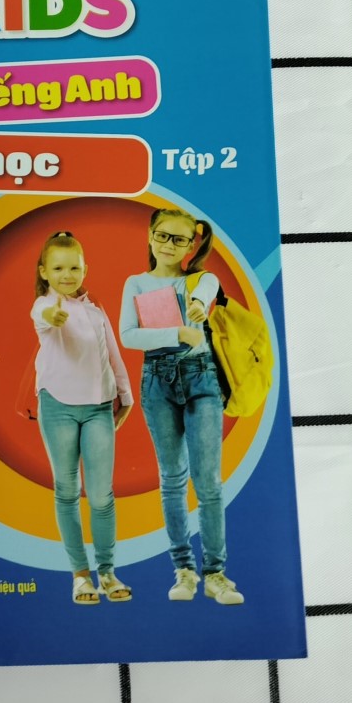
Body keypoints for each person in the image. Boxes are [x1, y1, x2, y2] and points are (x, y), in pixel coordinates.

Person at [118, 207, 243, 605]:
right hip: (157, 382)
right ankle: (184, 571)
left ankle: (216, 574)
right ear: (150, 236)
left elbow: (207, 290)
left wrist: (199, 307)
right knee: (172, 478)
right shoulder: (136, 283)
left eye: (179, 239)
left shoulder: (201, 280)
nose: (169, 245)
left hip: (201, 378)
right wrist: (177, 333)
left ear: (192, 245)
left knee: (208, 482)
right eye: (162, 235)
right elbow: (128, 336)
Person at [31, 231, 134, 605]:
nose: (67, 275)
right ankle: (80, 575)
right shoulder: (44, 305)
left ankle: (107, 571)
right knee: (67, 490)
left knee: (102, 495)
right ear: (44, 271)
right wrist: (53, 315)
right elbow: (44, 317)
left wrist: (125, 394)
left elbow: (113, 353)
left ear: (85, 269)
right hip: (57, 405)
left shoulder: (95, 309)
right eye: (58, 268)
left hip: (99, 408)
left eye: (74, 268)